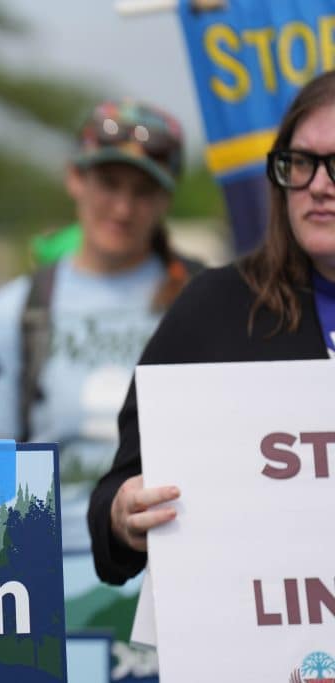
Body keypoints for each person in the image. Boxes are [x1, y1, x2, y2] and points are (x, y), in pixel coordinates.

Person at [88, 71, 335, 585]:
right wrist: (122, 514)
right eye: (301, 163)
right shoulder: (214, 306)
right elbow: (120, 490)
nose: (317, 186)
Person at [0, 100, 198, 551]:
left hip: (176, 557)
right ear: (75, 178)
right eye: (109, 183)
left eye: (143, 191)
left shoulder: (200, 299)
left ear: (166, 198)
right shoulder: (16, 309)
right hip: (56, 566)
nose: (122, 207)